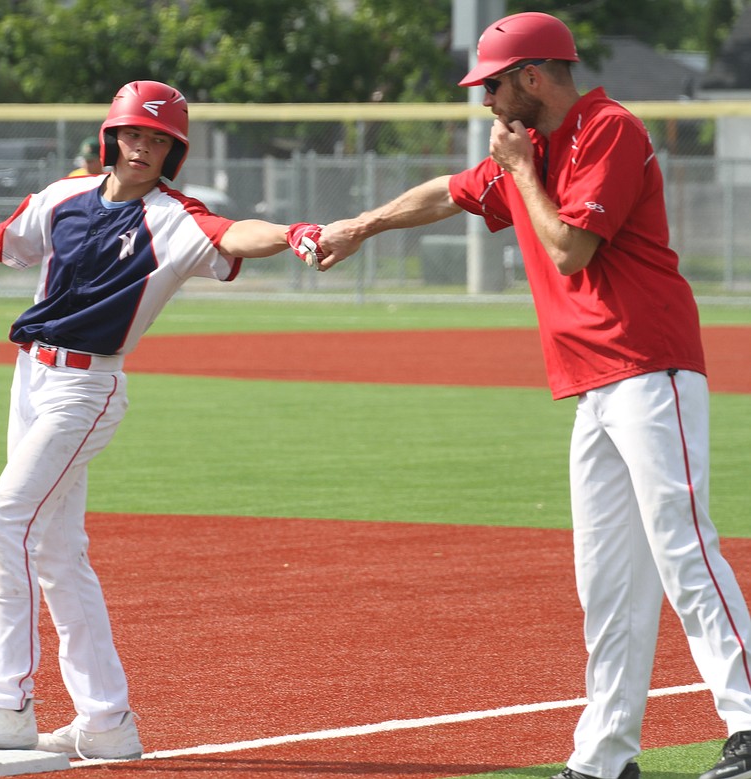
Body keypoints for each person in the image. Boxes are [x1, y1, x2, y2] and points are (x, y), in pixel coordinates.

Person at [314, 12, 751, 779]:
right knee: (605, 578)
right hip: (593, 384)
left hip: (651, 365)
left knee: (683, 547)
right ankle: (606, 755)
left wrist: (519, 172)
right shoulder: (534, 146)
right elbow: (448, 195)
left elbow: (570, 248)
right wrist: (362, 224)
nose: (483, 101)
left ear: (532, 77)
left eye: (490, 84)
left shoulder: (607, 127)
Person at [0, 80, 320, 760]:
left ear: (172, 152)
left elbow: (234, 233)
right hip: (31, 376)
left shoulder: (174, 218)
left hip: (86, 387)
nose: (144, 147)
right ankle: (105, 721)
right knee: (57, 553)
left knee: (3, 522)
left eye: (159, 139)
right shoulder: (64, 197)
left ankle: (4, 701)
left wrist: (296, 232)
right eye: (135, 133)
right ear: (112, 137)